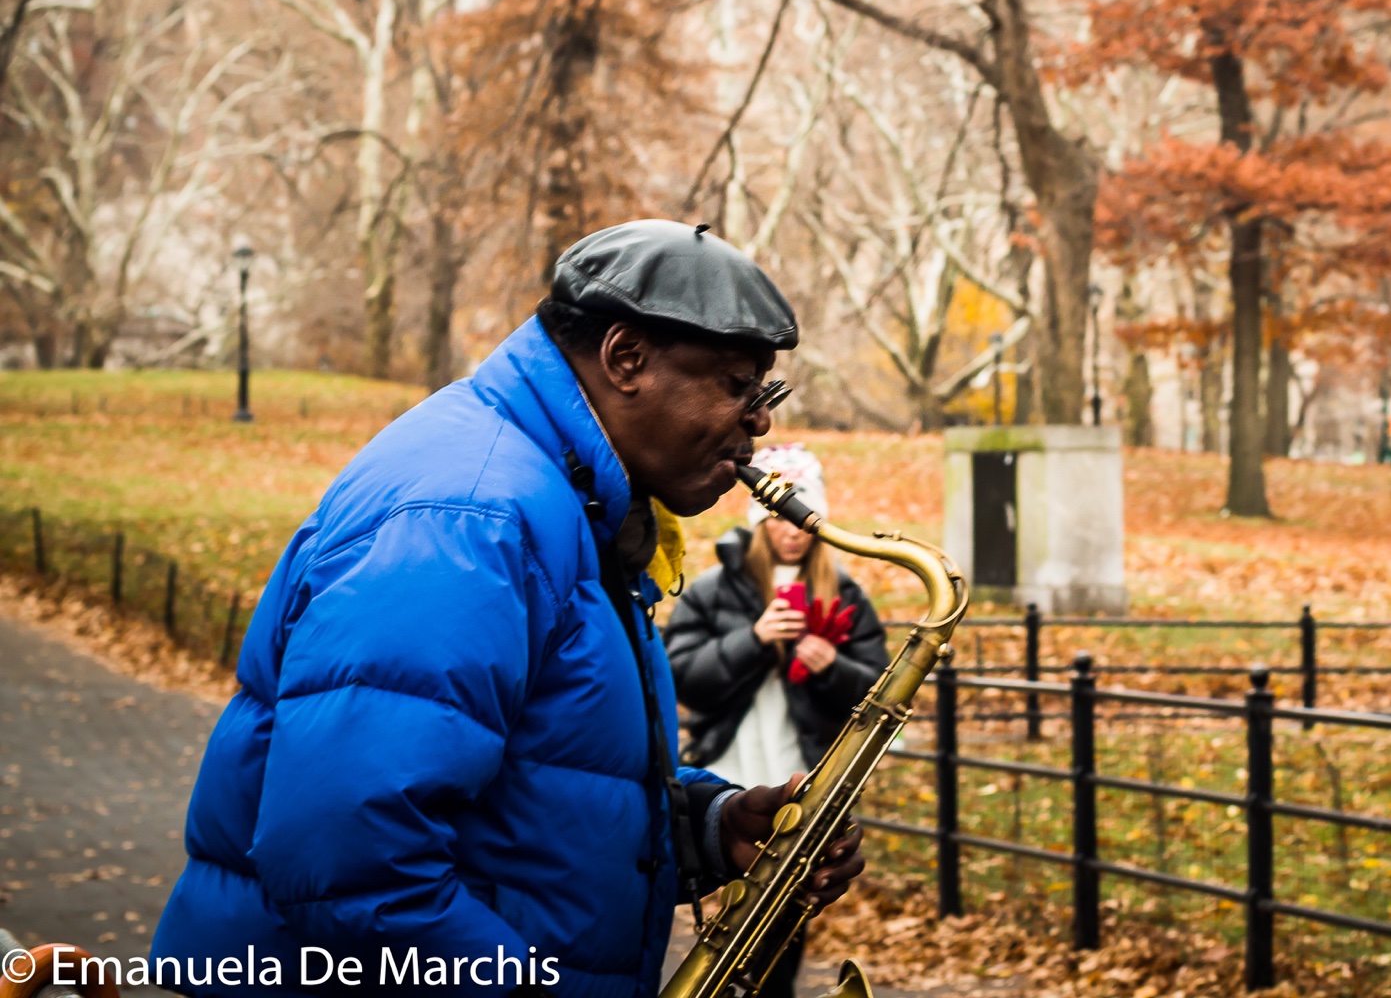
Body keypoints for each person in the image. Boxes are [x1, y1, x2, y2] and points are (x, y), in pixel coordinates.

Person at [151, 220, 864, 998]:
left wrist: (706, 829)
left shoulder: (565, 503)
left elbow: (527, 787)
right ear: (625, 359)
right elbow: (354, 867)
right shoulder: (470, 514)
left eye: (766, 393)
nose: (760, 422)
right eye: (735, 385)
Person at [664, 445, 888, 998]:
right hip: (724, 769)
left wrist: (833, 667)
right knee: (728, 913)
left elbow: (878, 689)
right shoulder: (714, 589)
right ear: (762, 520)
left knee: (786, 908)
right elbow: (680, 675)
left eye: (805, 517)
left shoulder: (845, 591)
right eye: (780, 519)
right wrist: (754, 640)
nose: (794, 532)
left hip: (802, 770)